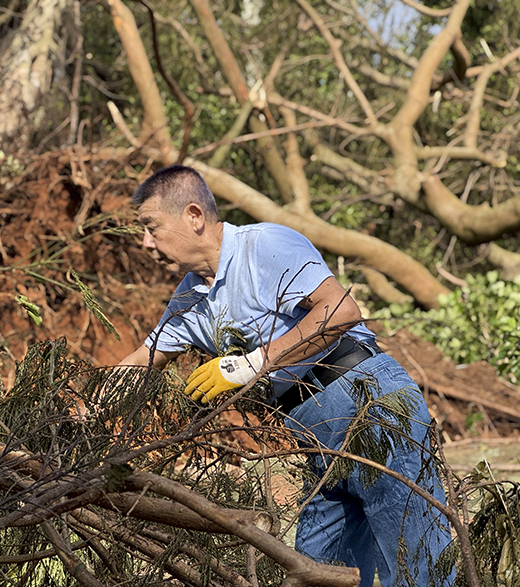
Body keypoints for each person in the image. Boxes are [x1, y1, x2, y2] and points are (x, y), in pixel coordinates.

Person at [118, 165, 454, 587]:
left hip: (370, 405)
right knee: (318, 573)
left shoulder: (265, 245)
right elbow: (144, 359)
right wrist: (79, 407)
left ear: (194, 216)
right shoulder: (190, 297)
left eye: (151, 227)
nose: (145, 242)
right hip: (315, 436)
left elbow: (340, 311)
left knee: (417, 565)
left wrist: (251, 364)